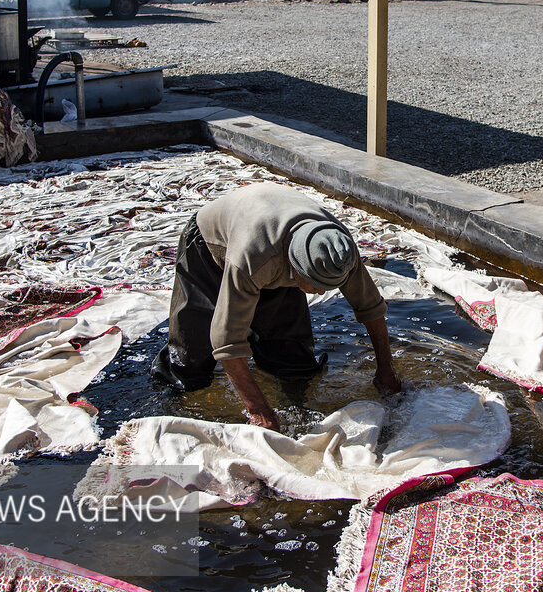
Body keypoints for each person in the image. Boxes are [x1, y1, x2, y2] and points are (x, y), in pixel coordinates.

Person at [153, 182, 401, 431]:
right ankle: (174, 398)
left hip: (274, 233)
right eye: (315, 285)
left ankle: (290, 384)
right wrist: (258, 409)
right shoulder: (252, 259)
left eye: (328, 286)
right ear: (295, 266)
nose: (321, 293)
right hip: (209, 243)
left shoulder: (339, 250)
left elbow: (371, 308)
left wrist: (386, 368)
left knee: (292, 359)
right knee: (192, 356)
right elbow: (226, 340)